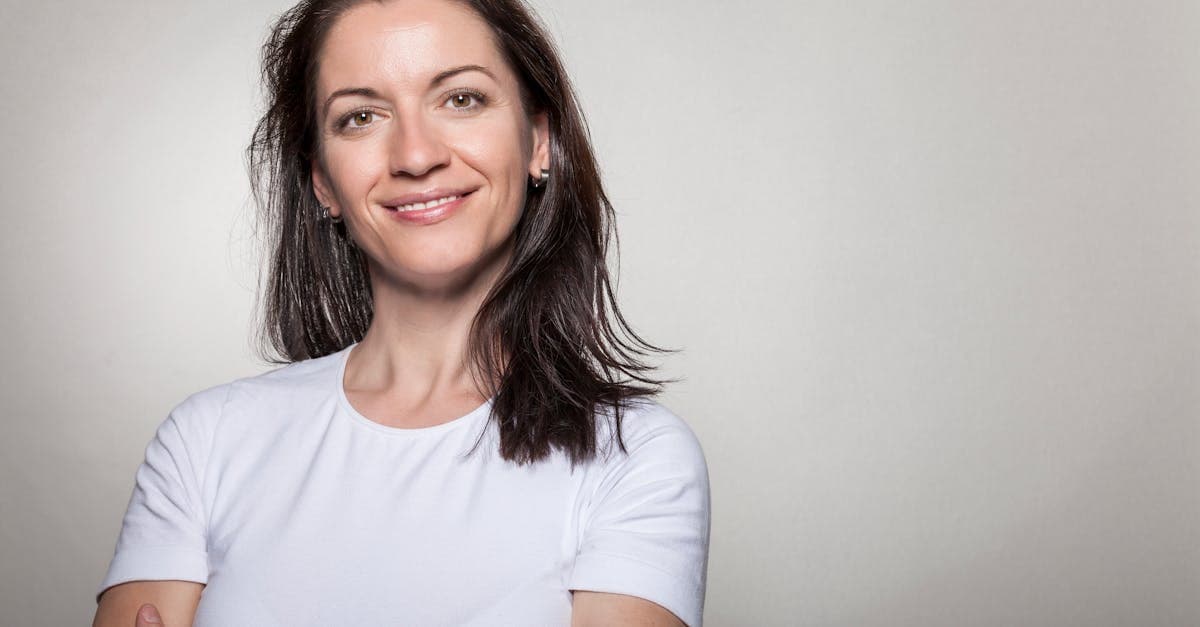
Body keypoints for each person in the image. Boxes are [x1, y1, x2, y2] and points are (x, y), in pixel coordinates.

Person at [92, 0, 710, 625]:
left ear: (539, 140)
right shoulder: (207, 441)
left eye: (461, 99)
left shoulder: (636, 458)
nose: (416, 156)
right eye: (360, 117)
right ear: (323, 181)